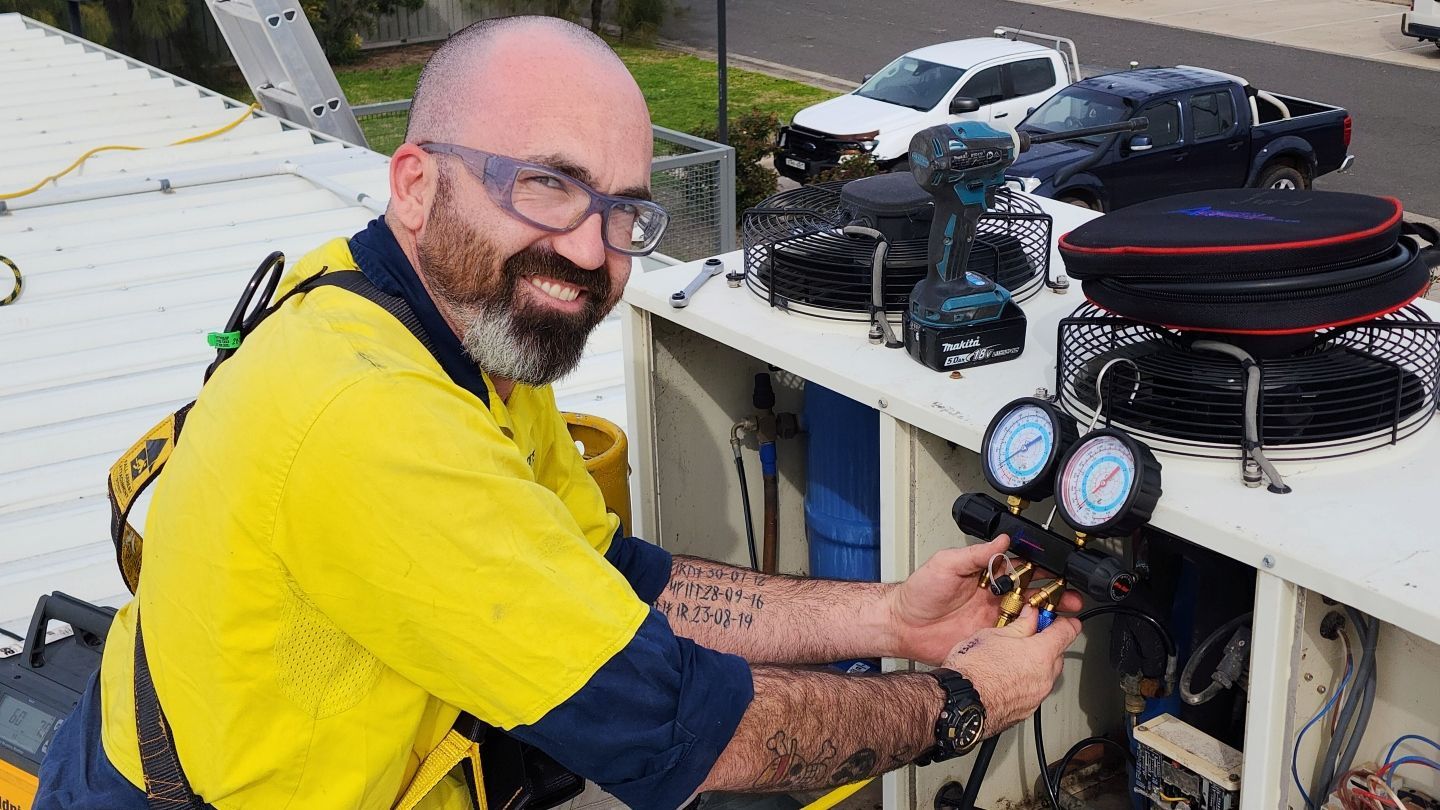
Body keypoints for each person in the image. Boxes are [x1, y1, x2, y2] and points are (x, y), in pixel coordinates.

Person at [34, 15, 1080, 810]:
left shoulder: (447, 326)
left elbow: (610, 578)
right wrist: (969, 703)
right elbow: (682, 734)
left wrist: (890, 616)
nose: (592, 249)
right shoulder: (371, 417)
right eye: (546, 185)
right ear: (414, 184)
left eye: (626, 210)